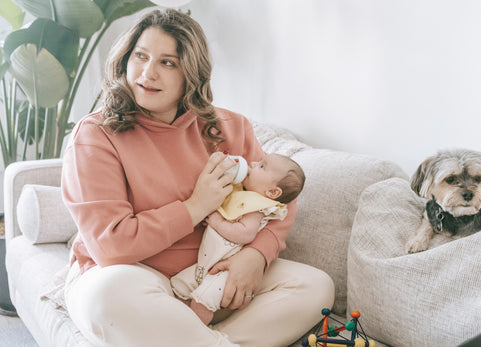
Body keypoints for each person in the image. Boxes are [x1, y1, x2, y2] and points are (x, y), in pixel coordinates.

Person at [61, 8, 334, 347]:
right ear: (125, 60)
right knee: (106, 298)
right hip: (134, 274)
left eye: (168, 63)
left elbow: (276, 201)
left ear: (191, 72)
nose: (147, 73)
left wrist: (256, 255)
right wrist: (194, 207)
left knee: (316, 287)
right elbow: (110, 246)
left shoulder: (230, 127)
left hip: (213, 276)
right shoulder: (97, 134)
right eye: (140, 56)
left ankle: (189, 338)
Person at [171, 153, 306, 325]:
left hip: (226, 269)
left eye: (261, 166)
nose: (253, 163)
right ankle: (179, 323)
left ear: (272, 192)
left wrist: (218, 223)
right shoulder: (242, 192)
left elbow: (245, 233)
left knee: (202, 303)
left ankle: (198, 331)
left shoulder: (256, 208)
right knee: (179, 288)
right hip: (206, 262)